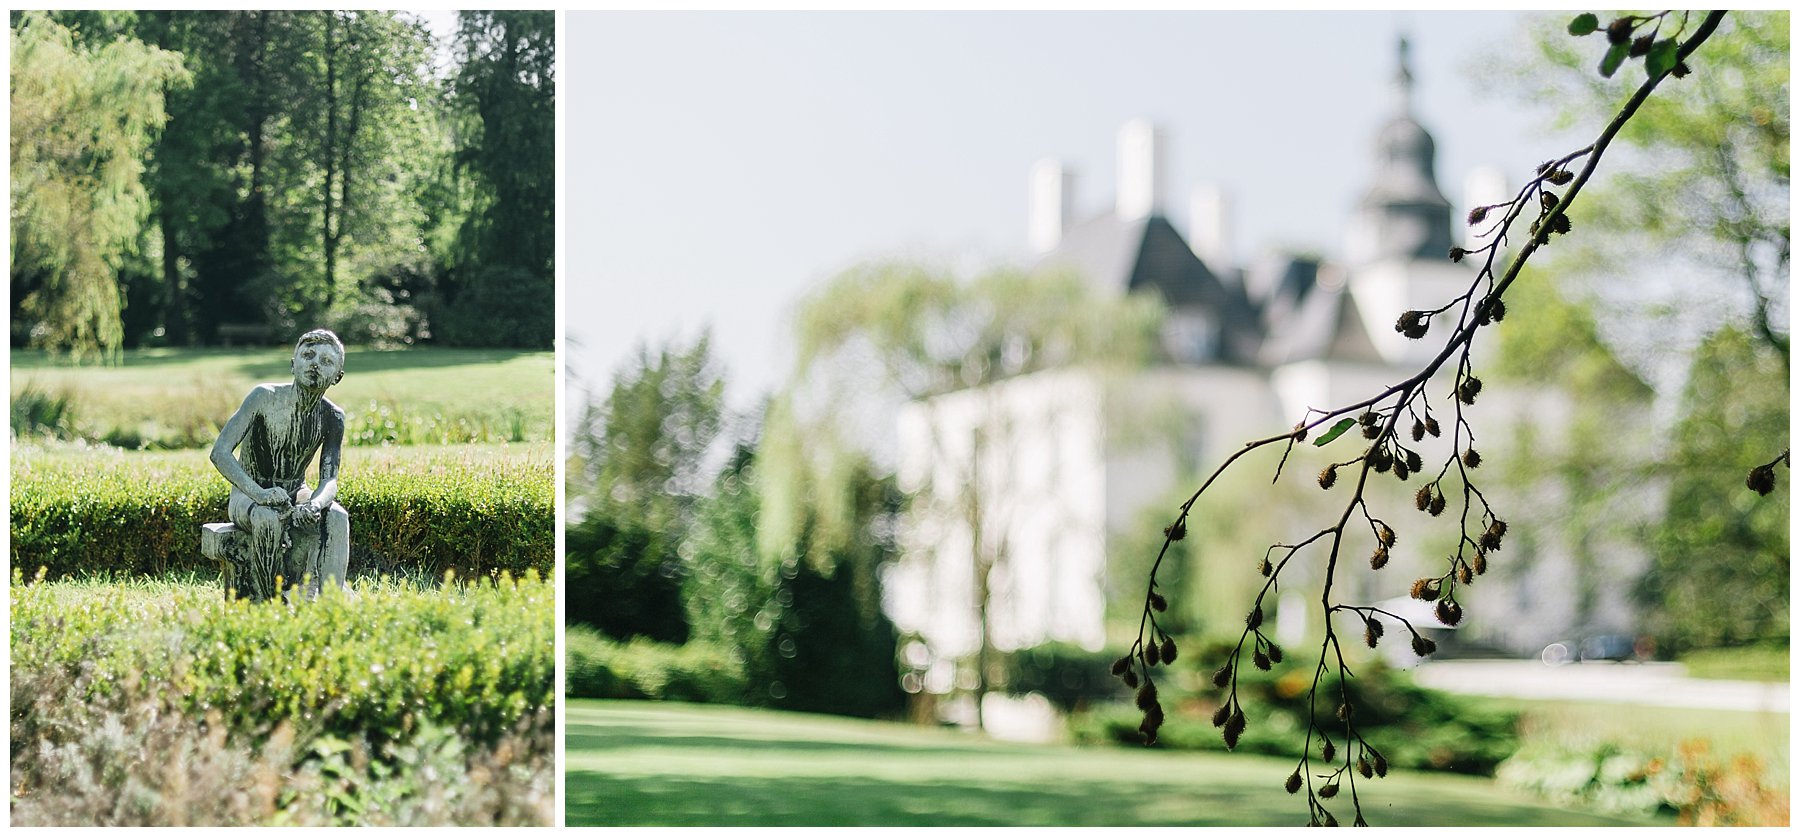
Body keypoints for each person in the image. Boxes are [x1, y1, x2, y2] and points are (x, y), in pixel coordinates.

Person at [209, 329, 350, 599]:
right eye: (308, 356)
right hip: (249, 494)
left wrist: (314, 504)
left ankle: (331, 604)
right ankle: (269, 602)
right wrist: (260, 494)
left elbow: (329, 479)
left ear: (337, 377)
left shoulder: (332, 416)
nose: (315, 364)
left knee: (337, 516)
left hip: (296, 492)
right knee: (267, 518)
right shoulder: (263, 397)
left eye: (326, 361)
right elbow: (220, 453)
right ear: (293, 364)